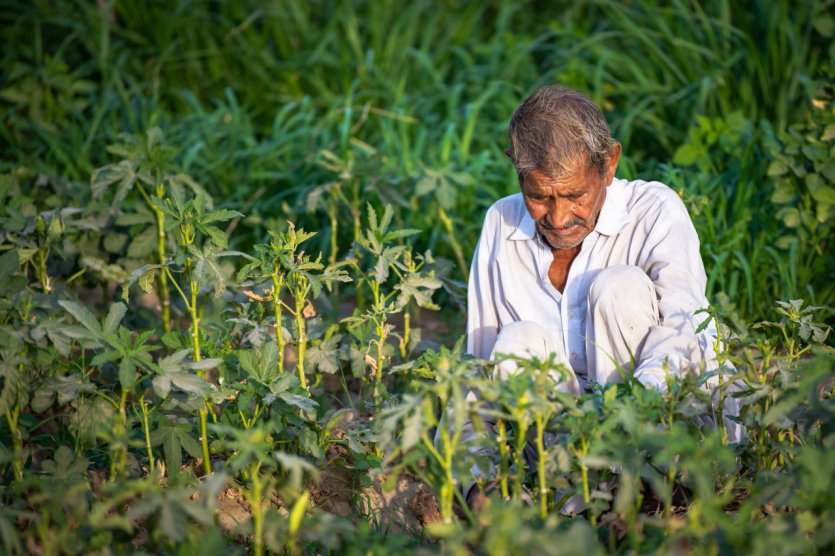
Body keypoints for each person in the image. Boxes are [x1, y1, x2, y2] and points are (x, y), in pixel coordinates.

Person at [462, 84, 743, 510]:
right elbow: (480, 372)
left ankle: (662, 491)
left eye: (574, 195)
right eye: (539, 196)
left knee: (620, 288)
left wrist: (626, 422)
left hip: (668, 434)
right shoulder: (500, 225)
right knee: (517, 342)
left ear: (609, 165)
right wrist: (475, 483)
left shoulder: (653, 212)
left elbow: (685, 335)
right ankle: (573, 503)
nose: (557, 218)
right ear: (515, 171)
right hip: (568, 462)